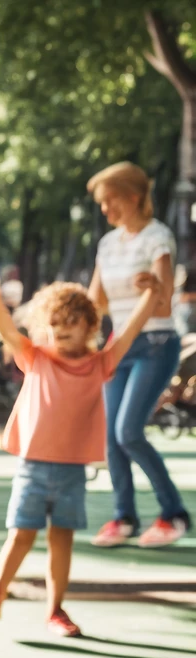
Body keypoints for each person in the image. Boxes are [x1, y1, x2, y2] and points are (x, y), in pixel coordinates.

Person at [0, 274, 157, 637]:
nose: (58, 335)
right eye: (53, 328)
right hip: (33, 468)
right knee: (21, 535)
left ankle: (55, 610)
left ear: (90, 326)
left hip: (72, 472)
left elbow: (130, 331)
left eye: (69, 328)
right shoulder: (37, 358)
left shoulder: (99, 364)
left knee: (62, 541)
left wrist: (151, 294)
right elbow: (9, 333)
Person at [87, 162, 190, 548]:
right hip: (119, 347)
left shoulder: (157, 237)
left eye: (110, 200)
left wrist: (152, 286)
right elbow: (94, 303)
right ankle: (124, 517)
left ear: (133, 196)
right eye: (101, 203)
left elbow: (163, 304)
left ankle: (174, 514)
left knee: (128, 431)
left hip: (156, 344)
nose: (105, 209)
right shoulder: (108, 244)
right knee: (111, 439)